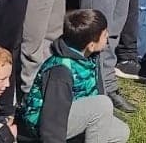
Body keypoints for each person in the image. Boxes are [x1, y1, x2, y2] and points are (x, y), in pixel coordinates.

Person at [16, 9, 130, 143]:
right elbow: (52, 120)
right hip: (42, 127)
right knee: (102, 105)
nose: (108, 36)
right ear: (91, 45)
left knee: (120, 131)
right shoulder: (60, 71)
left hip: (68, 114)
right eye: (104, 34)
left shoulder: (90, 57)